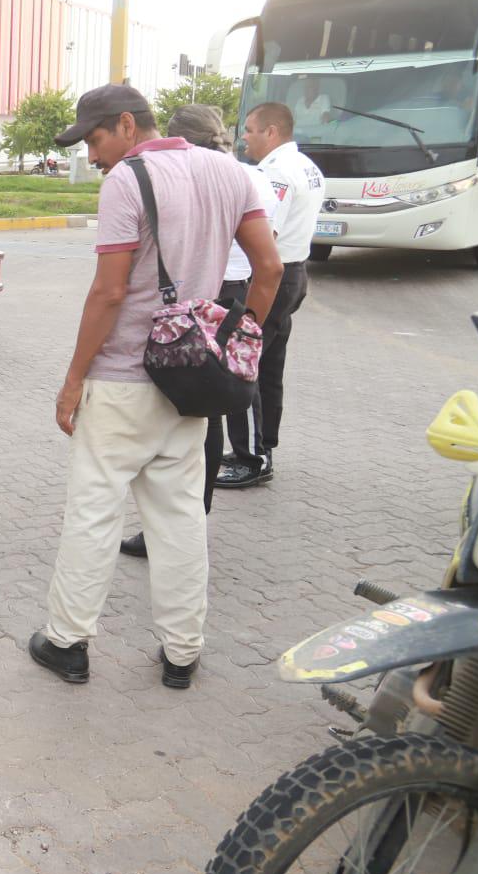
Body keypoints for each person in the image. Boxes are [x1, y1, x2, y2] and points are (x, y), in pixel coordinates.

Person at [29, 84, 281, 689]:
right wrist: (237, 342)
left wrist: (72, 381)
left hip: (120, 383)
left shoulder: (127, 181)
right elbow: (269, 268)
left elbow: (110, 292)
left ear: (125, 124)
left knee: (93, 514)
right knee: (180, 518)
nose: (92, 155)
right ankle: (181, 653)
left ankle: (68, 644)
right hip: (190, 381)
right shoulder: (230, 172)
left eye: (94, 140)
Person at [120, 104, 277, 557]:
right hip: (231, 293)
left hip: (210, 293)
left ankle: (176, 525)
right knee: (205, 409)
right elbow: (272, 256)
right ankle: (186, 521)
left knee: (189, 409)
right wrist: (247, 332)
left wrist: (242, 331)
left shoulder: (191, 172)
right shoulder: (243, 172)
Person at [217, 103, 325, 489]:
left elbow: (266, 238)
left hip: (273, 278)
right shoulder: (307, 166)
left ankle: (253, 457)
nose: (243, 137)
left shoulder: (276, 173)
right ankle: (264, 446)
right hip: (296, 273)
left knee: (242, 365)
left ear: (272, 132)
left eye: (249, 130)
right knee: (268, 368)